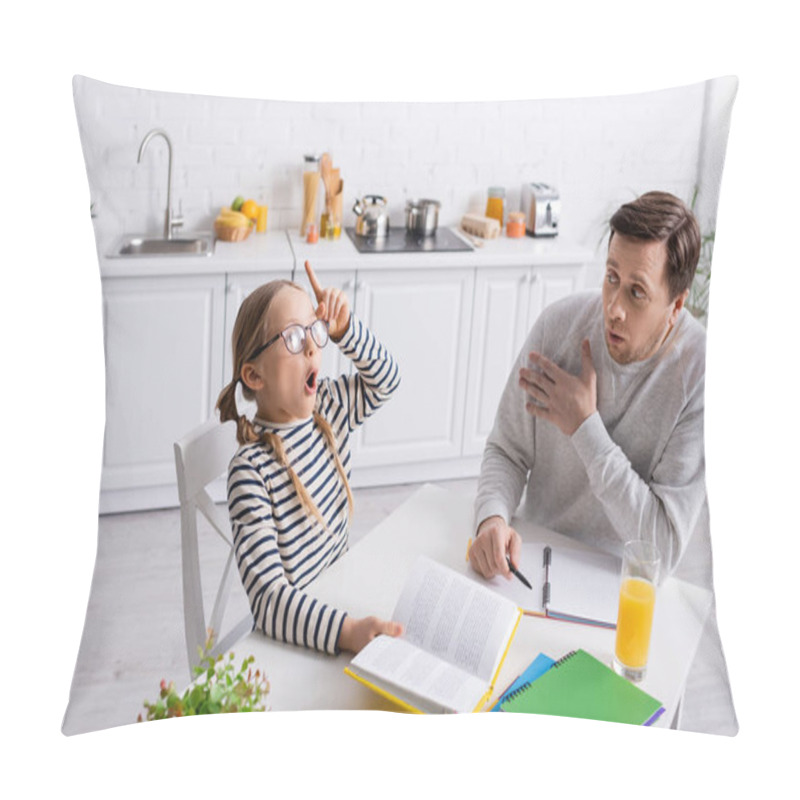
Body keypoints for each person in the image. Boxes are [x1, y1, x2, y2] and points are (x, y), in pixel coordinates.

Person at [469, 190, 706, 581]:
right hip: (533, 563)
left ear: (676, 306)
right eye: (611, 277)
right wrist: (491, 519)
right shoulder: (557, 329)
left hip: (622, 587)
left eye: (636, 292)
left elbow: (660, 553)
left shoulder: (698, 377)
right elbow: (506, 451)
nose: (613, 308)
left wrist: (585, 427)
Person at [216, 260, 402, 655]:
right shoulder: (251, 473)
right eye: (295, 339)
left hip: (345, 602)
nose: (315, 346)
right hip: (302, 640)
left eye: (315, 332)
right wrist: (347, 632)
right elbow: (268, 601)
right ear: (254, 376)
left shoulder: (330, 411)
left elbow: (387, 380)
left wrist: (346, 329)